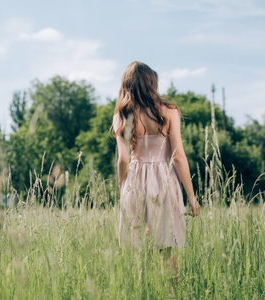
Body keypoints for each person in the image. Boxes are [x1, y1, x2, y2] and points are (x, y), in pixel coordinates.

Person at [112, 61, 200, 280]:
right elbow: (178, 157)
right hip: (164, 181)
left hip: (134, 182)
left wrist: (122, 187)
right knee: (166, 250)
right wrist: (191, 195)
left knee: (141, 252)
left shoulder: (121, 115)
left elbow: (123, 159)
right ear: (152, 82)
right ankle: (172, 294)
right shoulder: (169, 111)